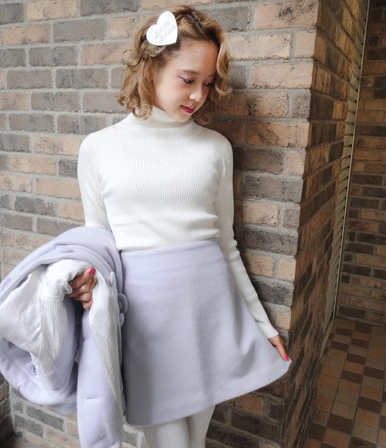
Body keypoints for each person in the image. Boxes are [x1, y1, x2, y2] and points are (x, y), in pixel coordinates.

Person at [69, 5, 290, 448]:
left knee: (194, 439)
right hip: (147, 326)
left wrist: (262, 324)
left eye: (207, 83)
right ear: (151, 67)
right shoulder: (98, 148)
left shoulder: (216, 148)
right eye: (187, 79)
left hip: (209, 314)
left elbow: (226, 244)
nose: (198, 96)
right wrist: (84, 282)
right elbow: (97, 243)